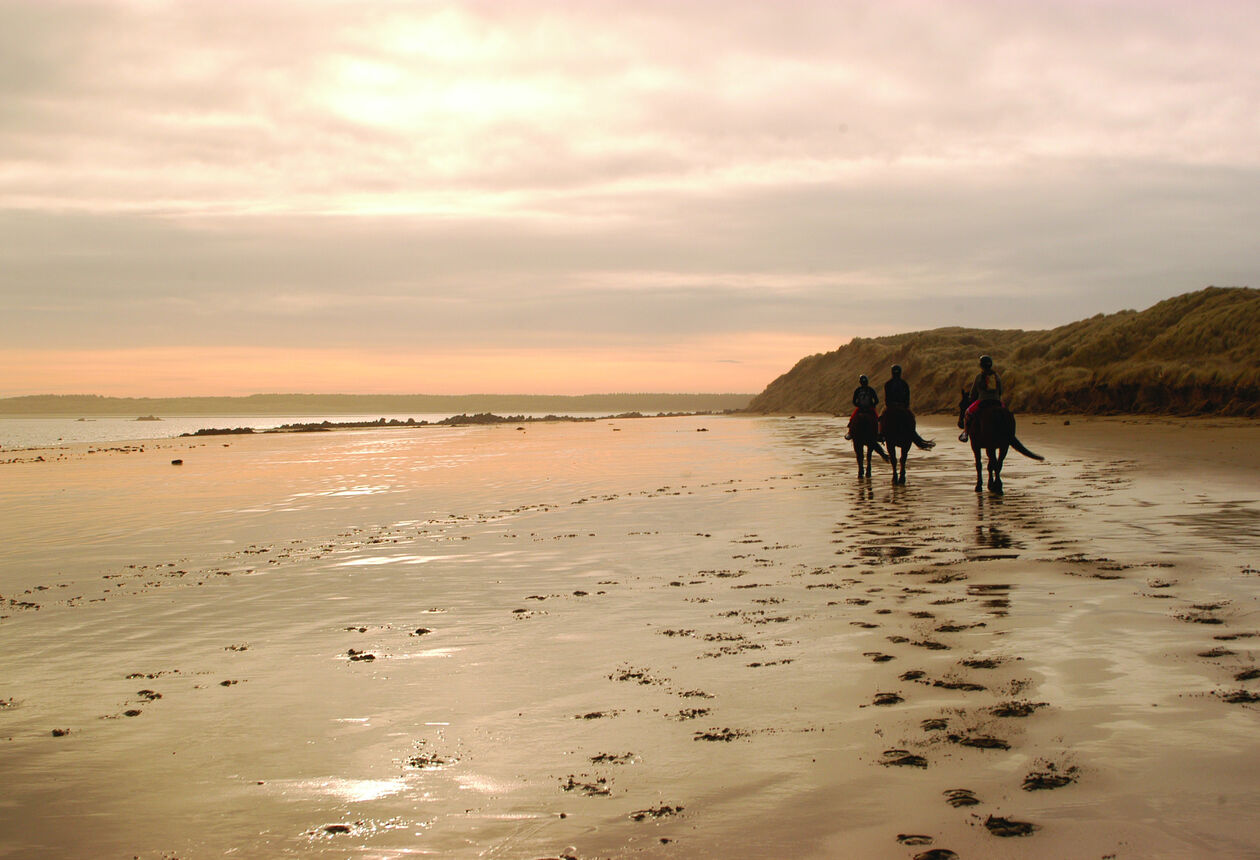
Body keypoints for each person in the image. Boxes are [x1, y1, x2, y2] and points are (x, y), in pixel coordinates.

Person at [958, 355, 1003, 442]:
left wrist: (972, 398)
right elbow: (1001, 391)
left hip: (983, 401)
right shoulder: (997, 376)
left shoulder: (979, 377)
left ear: (981, 365)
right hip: (997, 402)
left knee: (967, 413)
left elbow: (973, 393)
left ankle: (965, 434)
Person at [844, 374, 879, 440]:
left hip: (864, 409)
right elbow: (876, 400)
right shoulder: (867, 390)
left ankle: (850, 433)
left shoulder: (861, 390)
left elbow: (854, 401)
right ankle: (878, 433)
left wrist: (859, 405)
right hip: (866, 409)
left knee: (853, 418)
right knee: (876, 419)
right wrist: (872, 405)